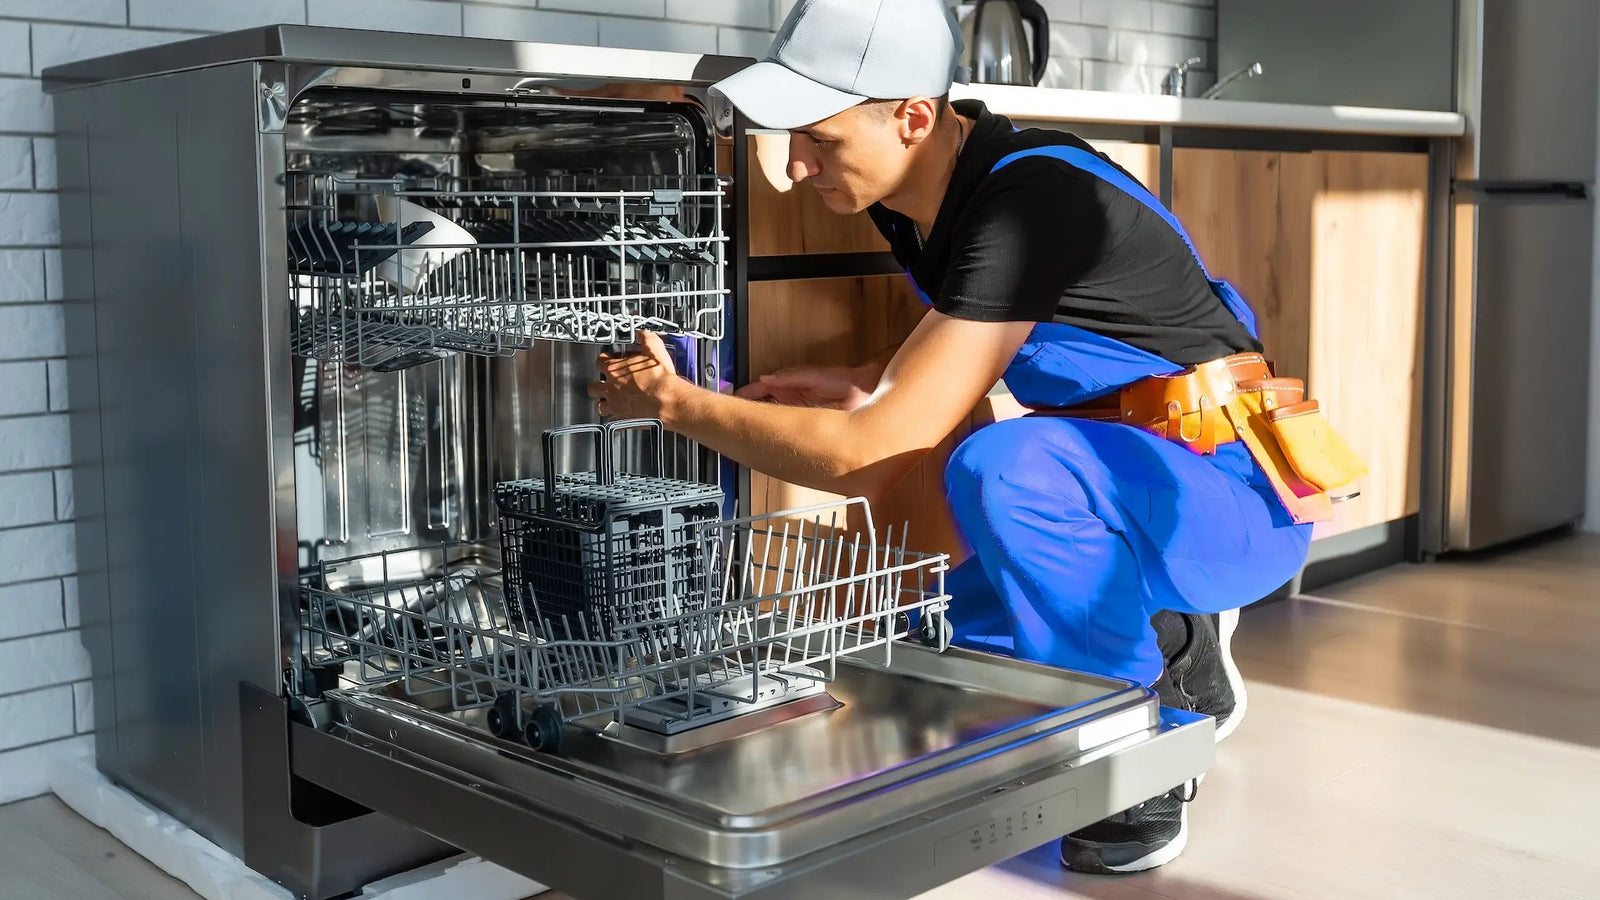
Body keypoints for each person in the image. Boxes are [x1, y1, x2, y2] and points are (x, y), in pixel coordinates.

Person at [589, 0, 1348, 874]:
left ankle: (1137, 760)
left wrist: (678, 406)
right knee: (947, 648)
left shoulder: (1029, 202)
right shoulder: (915, 193)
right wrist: (877, 373)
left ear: (913, 116)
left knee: (1004, 465)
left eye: (819, 140)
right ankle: (1176, 642)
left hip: (1231, 497)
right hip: (1131, 474)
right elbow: (986, 338)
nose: (794, 170)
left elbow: (867, 448)